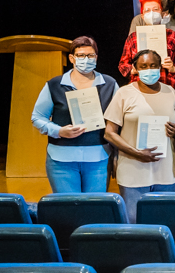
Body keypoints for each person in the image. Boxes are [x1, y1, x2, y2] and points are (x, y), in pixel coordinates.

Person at [31, 36, 118, 192]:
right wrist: (59, 131)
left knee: (95, 205)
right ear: (72, 58)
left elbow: (119, 119)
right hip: (61, 160)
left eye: (90, 55)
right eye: (81, 55)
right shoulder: (54, 85)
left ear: (96, 57)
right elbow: (37, 117)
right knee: (68, 205)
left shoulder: (109, 84)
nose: (86, 59)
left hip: (98, 158)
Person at [102, 50, 175, 220]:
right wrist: (136, 153)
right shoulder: (124, 93)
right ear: (135, 68)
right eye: (143, 66)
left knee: (165, 222)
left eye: (153, 65)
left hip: (166, 172)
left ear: (160, 67)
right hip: (133, 170)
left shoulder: (170, 92)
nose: (149, 70)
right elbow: (109, 133)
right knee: (135, 224)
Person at [119, 0, 175, 104]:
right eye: (147, 10)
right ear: (142, 16)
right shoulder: (133, 38)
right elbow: (123, 64)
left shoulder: (173, 36)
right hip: (138, 91)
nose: (152, 13)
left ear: (162, 14)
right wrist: (132, 70)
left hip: (167, 89)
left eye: (155, 9)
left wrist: (174, 68)